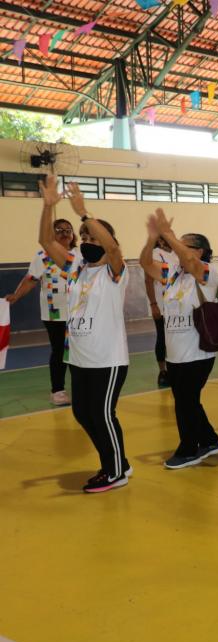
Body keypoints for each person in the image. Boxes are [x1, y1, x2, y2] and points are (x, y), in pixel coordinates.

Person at [35, 176, 130, 492]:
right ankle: (117, 462)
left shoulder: (114, 270)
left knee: (102, 414)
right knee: (82, 413)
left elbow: (113, 248)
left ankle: (115, 471)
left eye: (93, 235)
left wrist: (84, 213)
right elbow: (46, 243)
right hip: (80, 358)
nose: (86, 238)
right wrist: (48, 206)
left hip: (108, 359)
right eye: (84, 235)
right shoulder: (76, 267)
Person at [139, 209, 218, 470]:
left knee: (185, 402)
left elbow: (188, 259)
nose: (177, 251)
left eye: (184, 247)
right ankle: (210, 440)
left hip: (197, 352)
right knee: (187, 399)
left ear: (199, 251)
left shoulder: (208, 272)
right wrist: (153, 238)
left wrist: (169, 235)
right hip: (175, 352)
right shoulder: (172, 274)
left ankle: (189, 449)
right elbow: (144, 263)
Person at [5, 214, 78, 406]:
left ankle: (81, 387)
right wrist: (16, 295)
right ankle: (58, 391)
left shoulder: (80, 255)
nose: (64, 233)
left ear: (73, 235)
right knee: (60, 351)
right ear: (51, 235)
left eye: (68, 230)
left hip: (79, 312)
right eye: (59, 230)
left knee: (79, 350)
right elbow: (31, 280)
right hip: (54, 313)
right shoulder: (43, 256)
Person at [144, 235, 177, 388]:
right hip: (162, 304)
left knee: (177, 337)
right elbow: (148, 280)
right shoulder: (154, 254)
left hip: (178, 304)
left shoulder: (178, 253)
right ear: (160, 240)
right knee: (162, 337)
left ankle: (176, 367)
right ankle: (163, 371)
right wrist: (153, 304)